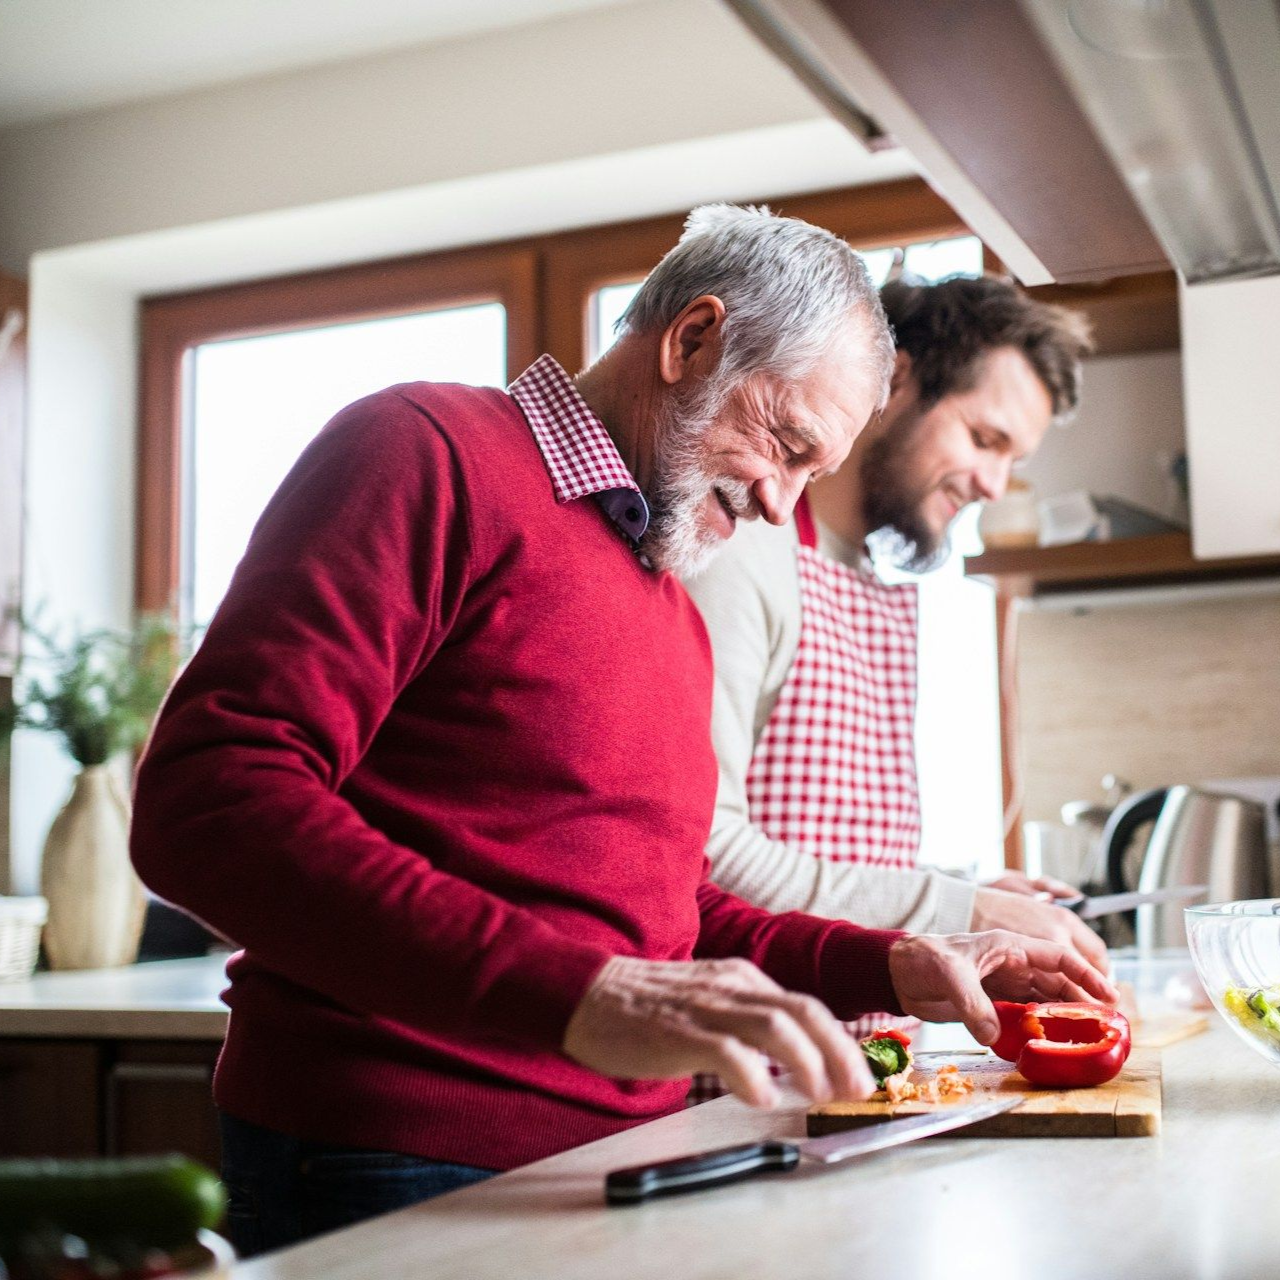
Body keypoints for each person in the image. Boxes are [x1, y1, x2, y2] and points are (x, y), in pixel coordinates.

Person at [130, 211, 1115, 1254]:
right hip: (394, 1153)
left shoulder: (671, 604)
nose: (782, 504)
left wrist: (898, 963)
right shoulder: (425, 449)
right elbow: (208, 801)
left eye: (810, 471)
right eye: (781, 444)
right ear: (690, 339)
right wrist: (582, 992)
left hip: (629, 1155)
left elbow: (664, 915)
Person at [684, 274, 1104, 993]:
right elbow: (708, 856)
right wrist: (955, 907)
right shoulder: (742, 553)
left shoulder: (867, 580)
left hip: (861, 1060)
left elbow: (831, 847)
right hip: (754, 1062)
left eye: (1014, 459)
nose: (996, 485)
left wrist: (967, 891)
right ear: (895, 382)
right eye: (984, 438)